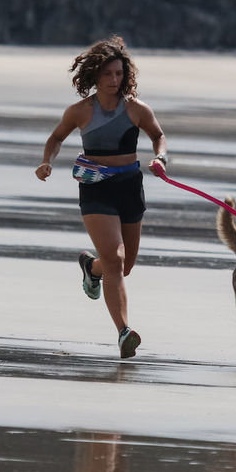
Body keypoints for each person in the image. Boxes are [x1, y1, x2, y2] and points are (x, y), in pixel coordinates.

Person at [35, 36, 167, 358]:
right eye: (108, 74)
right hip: (95, 186)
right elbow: (56, 138)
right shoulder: (80, 111)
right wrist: (46, 162)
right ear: (94, 75)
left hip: (129, 186)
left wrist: (160, 158)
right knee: (116, 259)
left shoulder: (136, 108)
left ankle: (91, 268)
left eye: (119, 74)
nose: (114, 80)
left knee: (124, 265)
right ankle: (124, 332)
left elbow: (158, 136)